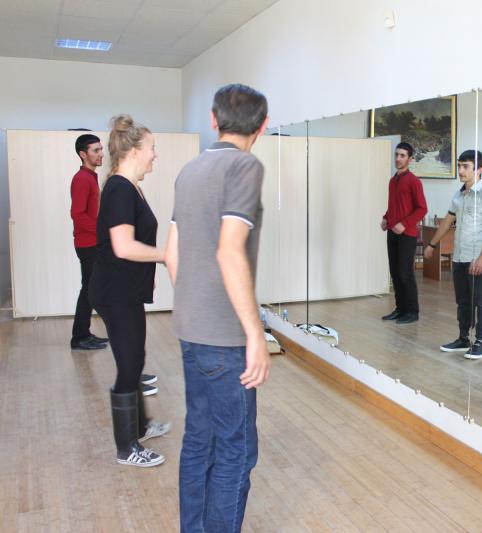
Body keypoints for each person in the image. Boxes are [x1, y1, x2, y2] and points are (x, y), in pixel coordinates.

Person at [166, 83, 271, 532]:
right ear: (262, 125)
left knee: (199, 440)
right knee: (236, 450)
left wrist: (195, 304)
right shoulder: (245, 166)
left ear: (214, 120)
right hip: (225, 339)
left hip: (190, 328)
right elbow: (230, 251)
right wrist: (255, 334)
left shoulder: (190, 169)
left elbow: (171, 253)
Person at [89, 115, 170, 468]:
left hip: (126, 290)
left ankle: (141, 426)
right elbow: (123, 247)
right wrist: (166, 255)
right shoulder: (120, 188)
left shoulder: (130, 186)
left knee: (134, 357)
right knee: (129, 363)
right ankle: (127, 448)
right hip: (115, 292)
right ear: (135, 150)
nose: (155, 154)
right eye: (152, 148)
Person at [424, 150, 482, 360]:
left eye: (466, 166)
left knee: (481, 300)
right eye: (459, 166)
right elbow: (447, 222)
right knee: (463, 301)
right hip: (459, 257)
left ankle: (480, 342)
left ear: (480, 170)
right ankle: (463, 338)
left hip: (479, 258)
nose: (461, 170)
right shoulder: (458, 196)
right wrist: (432, 244)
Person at [380, 142, 428, 325]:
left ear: (410, 159)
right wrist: (386, 218)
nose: (398, 158)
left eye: (402, 155)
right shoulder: (392, 181)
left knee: (405, 272)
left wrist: (404, 224)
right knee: (394, 272)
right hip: (392, 232)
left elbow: (422, 208)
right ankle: (400, 309)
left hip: (407, 234)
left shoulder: (414, 181)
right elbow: (394, 205)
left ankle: (412, 312)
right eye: (397, 154)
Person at [70, 134, 109, 351]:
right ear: (83, 154)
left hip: (93, 243)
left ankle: (83, 334)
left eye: (101, 149)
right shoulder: (82, 179)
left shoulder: (90, 177)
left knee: (90, 290)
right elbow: (77, 214)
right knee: (89, 290)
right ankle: (79, 338)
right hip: (87, 245)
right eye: (96, 150)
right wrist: (101, 231)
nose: (101, 154)